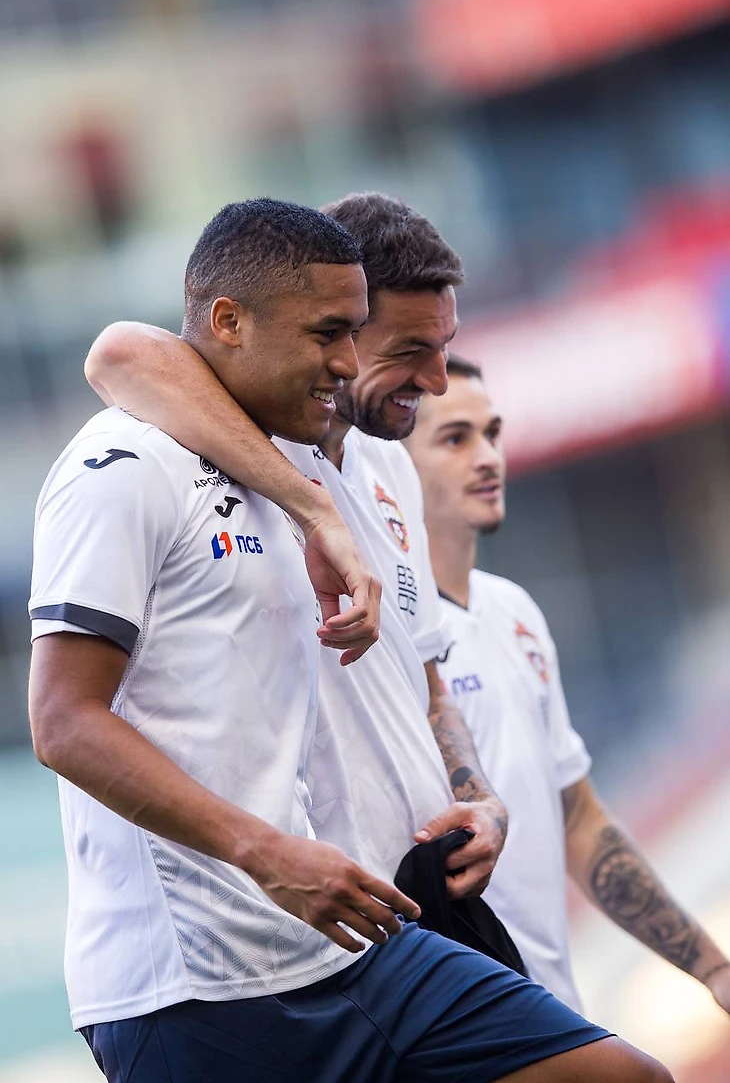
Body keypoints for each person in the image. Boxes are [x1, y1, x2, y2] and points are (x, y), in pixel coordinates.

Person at [28, 198, 673, 1082]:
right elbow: (62, 721)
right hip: (195, 983)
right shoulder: (133, 465)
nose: (351, 361)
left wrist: (475, 793)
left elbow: (424, 680)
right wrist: (268, 854)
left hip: (363, 939)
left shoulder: (334, 462)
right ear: (231, 322)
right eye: (337, 333)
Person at [403, 353, 730, 1017]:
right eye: (455, 438)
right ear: (392, 468)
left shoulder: (515, 610)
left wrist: (713, 968)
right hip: (462, 1017)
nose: (487, 457)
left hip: (558, 1002)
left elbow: (577, 819)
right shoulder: (383, 629)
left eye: (492, 433)